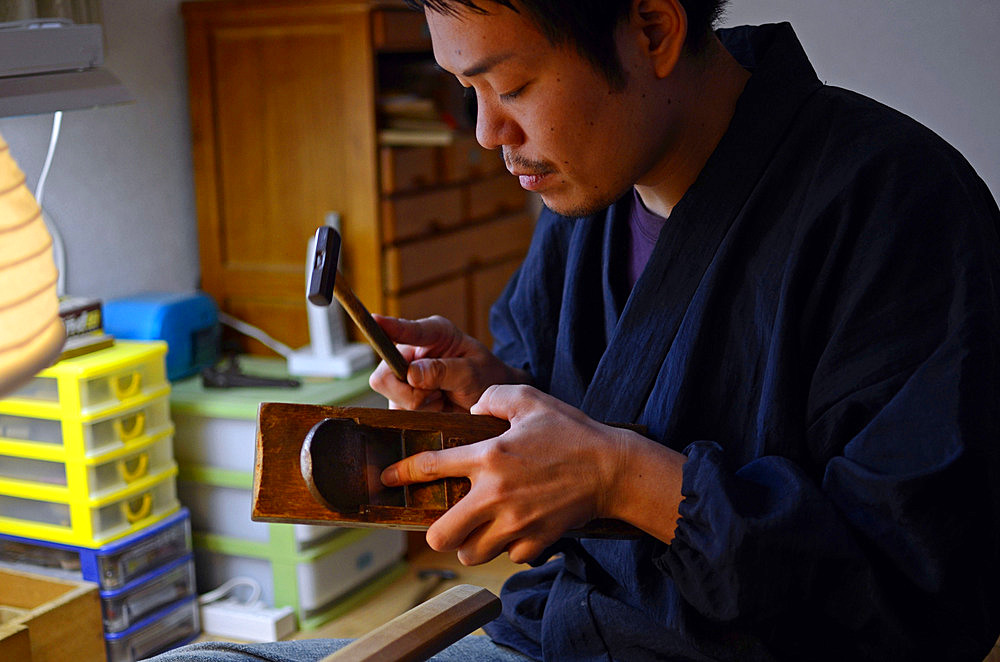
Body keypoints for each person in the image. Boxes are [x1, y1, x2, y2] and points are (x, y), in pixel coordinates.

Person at [153, 0, 1000, 660]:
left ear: (653, 29)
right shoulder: (587, 191)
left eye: (512, 87)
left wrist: (623, 478)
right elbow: (583, 407)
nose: (489, 134)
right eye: (467, 93)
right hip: (556, 635)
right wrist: (488, 397)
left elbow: (923, 598)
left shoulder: (900, 206)